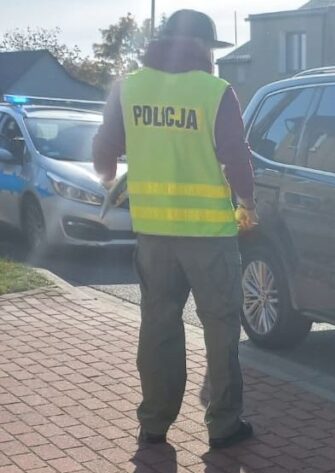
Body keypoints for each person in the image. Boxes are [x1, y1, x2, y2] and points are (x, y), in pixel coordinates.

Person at [93, 9, 258, 449]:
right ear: (204, 48)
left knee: (159, 325)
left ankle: (154, 423)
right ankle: (223, 426)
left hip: (153, 236)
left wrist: (114, 183)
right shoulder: (214, 91)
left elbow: (103, 153)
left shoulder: (128, 89)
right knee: (220, 328)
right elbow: (236, 156)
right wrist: (247, 204)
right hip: (210, 237)